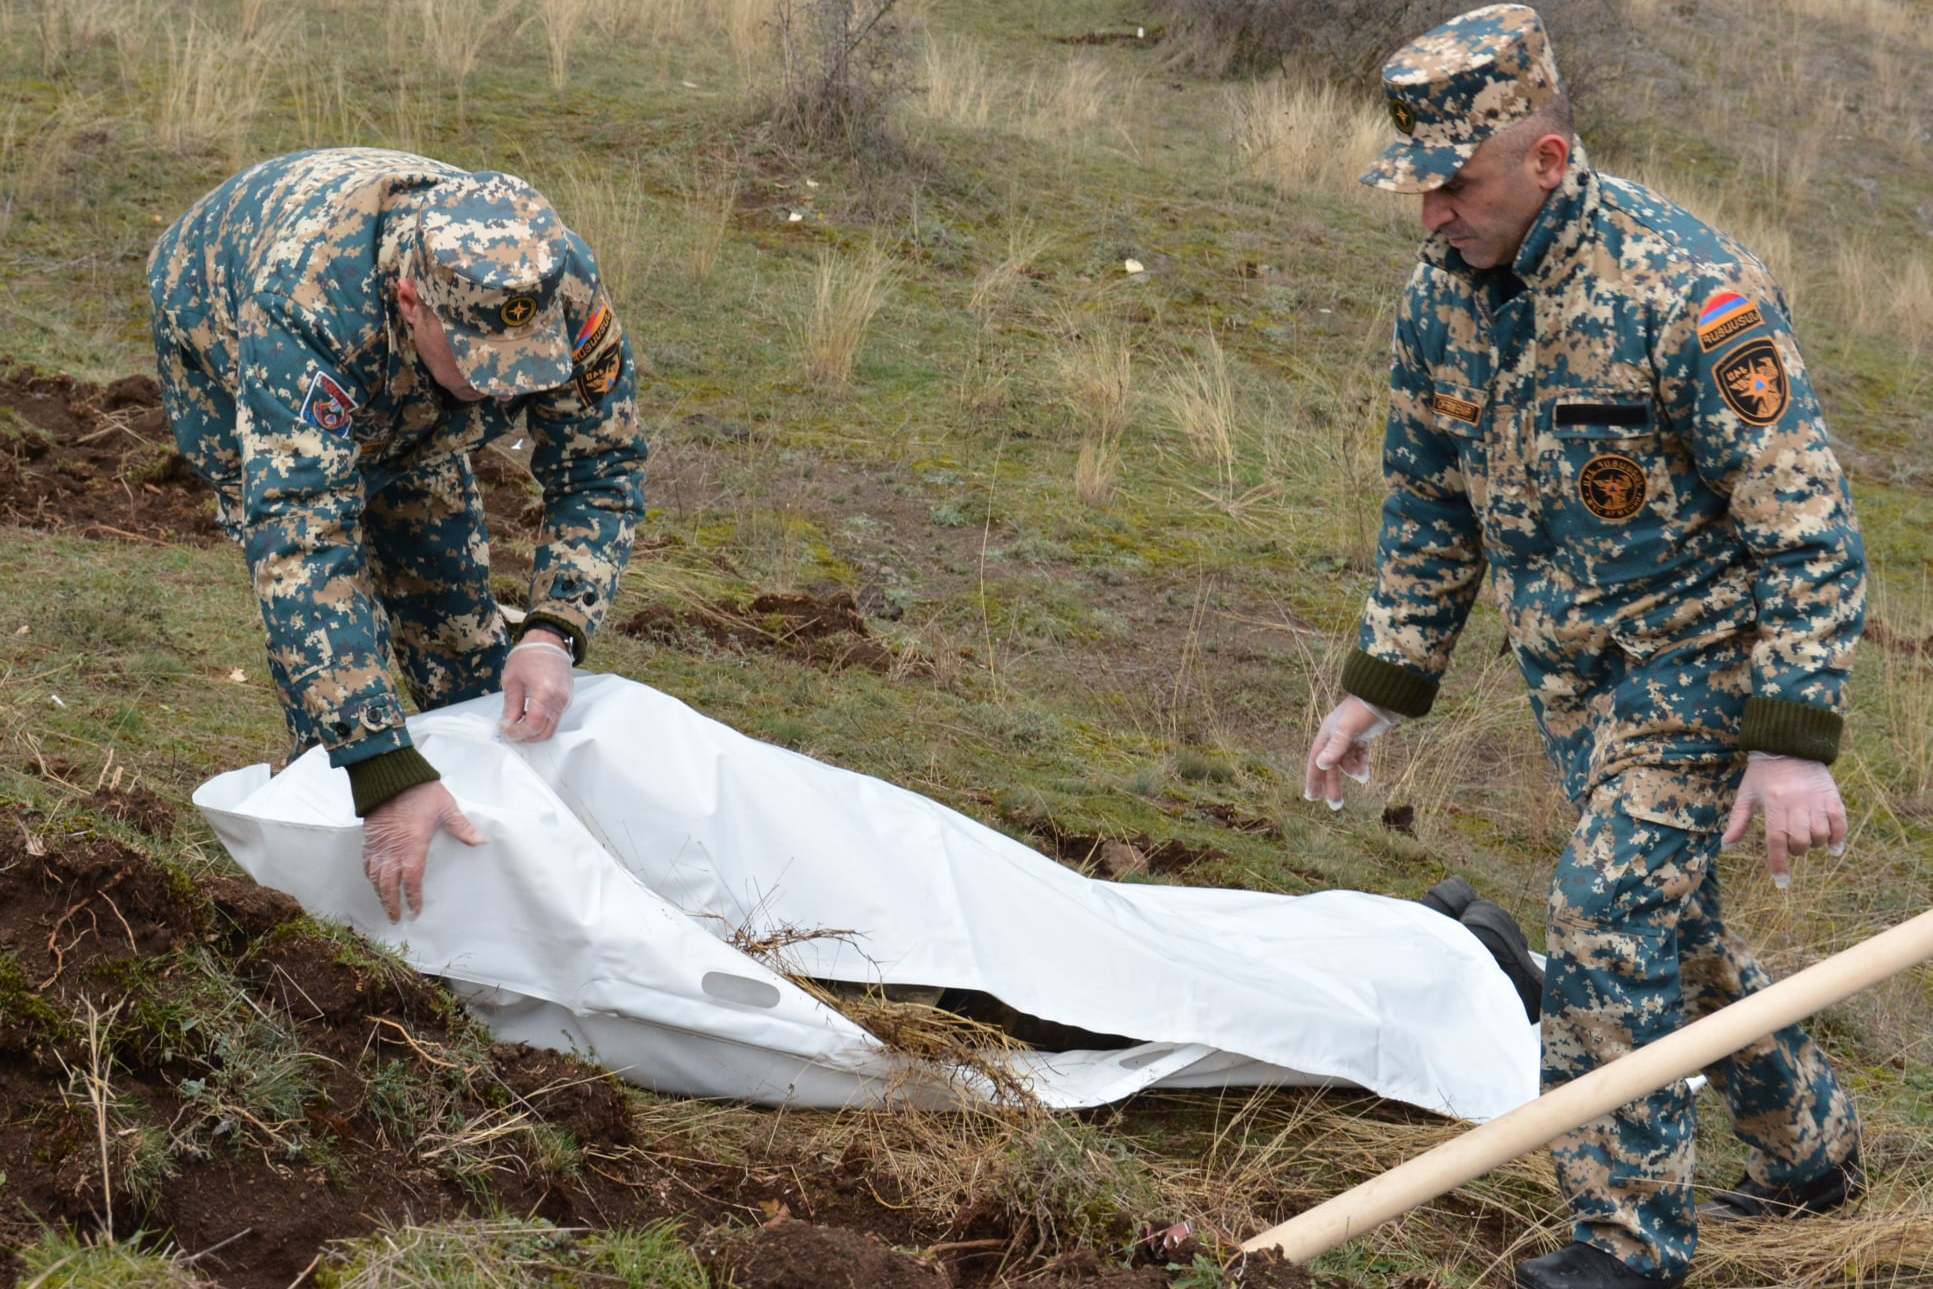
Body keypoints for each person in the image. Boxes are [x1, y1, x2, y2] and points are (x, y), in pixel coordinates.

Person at [1301, 7, 1865, 1286]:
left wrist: (1788, 744)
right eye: (1418, 188)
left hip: (1704, 664)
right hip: (1575, 677)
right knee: (1673, 930)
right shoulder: (1441, 297)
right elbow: (1427, 500)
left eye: (1454, 183)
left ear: (1547, 161)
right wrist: (1376, 685)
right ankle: (1811, 1152)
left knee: (1605, 922)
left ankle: (1628, 1245)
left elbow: (1807, 526)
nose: (1431, 213)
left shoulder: (1686, 292)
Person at [148, 148, 645, 924]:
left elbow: (602, 468)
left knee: (461, 638)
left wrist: (554, 628)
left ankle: (495, 868)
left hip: (400, 381)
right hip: (218, 317)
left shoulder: (555, 283)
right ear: (413, 301)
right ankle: (332, 880)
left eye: (525, 365)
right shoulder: (305, 308)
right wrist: (381, 766)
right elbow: (303, 542)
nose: (504, 388)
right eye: (483, 363)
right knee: (337, 701)